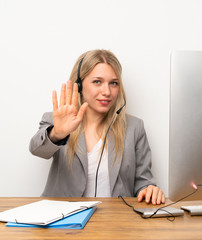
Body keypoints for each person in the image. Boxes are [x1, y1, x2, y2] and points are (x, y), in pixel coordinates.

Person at [29, 49, 165, 205]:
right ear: (78, 86)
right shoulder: (57, 120)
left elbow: (143, 182)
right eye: (97, 82)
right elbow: (37, 150)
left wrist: (149, 190)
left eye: (113, 83)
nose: (107, 92)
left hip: (115, 223)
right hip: (63, 221)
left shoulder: (134, 127)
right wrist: (57, 134)